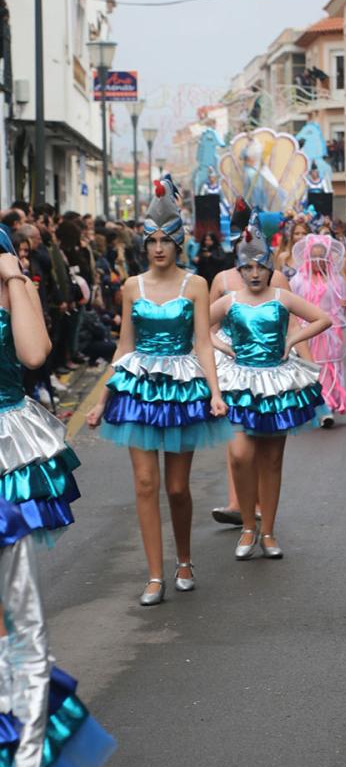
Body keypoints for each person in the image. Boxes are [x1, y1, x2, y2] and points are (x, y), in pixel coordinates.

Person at [0, 227, 115, 767]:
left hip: (3, 452)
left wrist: (12, 274)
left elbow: (35, 353)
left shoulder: (7, 275)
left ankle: (22, 765)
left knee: (14, 616)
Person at [86, 176, 230, 606]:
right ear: (144, 244)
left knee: (177, 488)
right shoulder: (133, 286)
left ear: (178, 242)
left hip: (183, 389)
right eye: (152, 240)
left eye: (166, 239)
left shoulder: (197, 285)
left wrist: (215, 392)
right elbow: (123, 345)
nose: (158, 248)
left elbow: (202, 342)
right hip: (138, 388)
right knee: (145, 484)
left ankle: (184, 559)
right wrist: (100, 400)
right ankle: (154, 575)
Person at [210, 215, 331, 560]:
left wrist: (293, 339)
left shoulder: (281, 295)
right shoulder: (231, 299)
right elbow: (197, 326)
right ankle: (248, 525)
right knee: (241, 455)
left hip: (276, 384)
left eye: (260, 266)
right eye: (247, 268)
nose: (254, 274)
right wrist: (221, 346)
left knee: (273, 460)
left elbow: (323, 318)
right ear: (239, 268)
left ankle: (268, 531)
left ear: (269, 266)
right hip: (240, 384)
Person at [291, 234, 346, 426]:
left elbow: (344, 301)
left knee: (329, 368)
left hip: (331, 333)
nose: (317, 262)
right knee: (310, 367)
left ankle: (326, 407)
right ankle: (312, 405)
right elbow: (292, 305)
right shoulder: (298, 281)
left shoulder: (335, 280)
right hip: (307, 332)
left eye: (322, 257)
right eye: (314, 257)